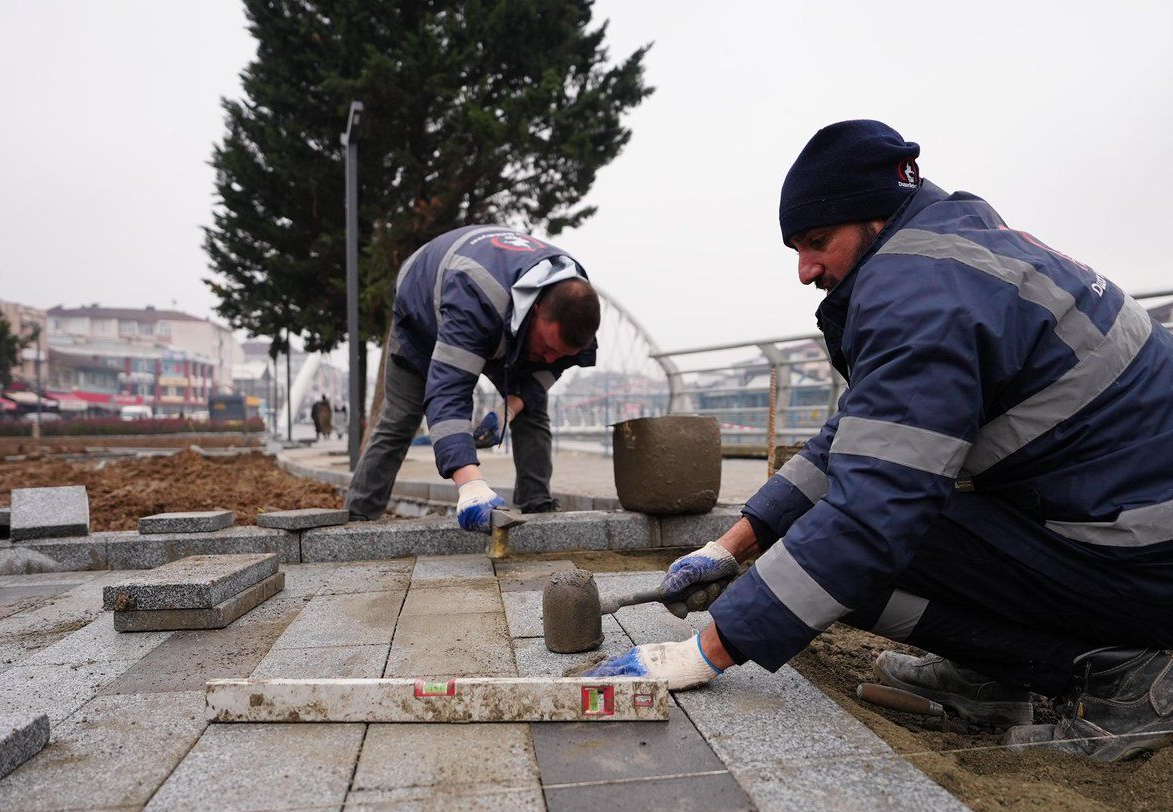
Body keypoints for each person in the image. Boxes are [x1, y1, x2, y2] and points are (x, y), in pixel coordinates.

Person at [588, 120, 1173, 762]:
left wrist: (704, 651)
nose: (807, 269)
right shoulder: (952, 249)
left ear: (874, 219)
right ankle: (1006, 675)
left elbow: (872, 510)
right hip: (1126, 527)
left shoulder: (919, 297)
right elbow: (858, 438)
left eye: (818, 241)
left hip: (1144, 561)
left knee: (852, 554)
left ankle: (1116, 678)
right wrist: (730, 547)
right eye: (796, 248)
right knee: (830, 537)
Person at [346, 225, 599, 532]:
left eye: (557, 353)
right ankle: (357, 518)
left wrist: (509, 409)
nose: (548, 358)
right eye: (547, 347)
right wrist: (470, 485)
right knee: (400, 420)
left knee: (532, 411)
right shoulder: (475, 298)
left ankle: (536, 506)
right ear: (535, 311)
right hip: (421, 315)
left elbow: (553, 363)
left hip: (505, 324)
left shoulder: (572, 299)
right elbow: (448, 394)